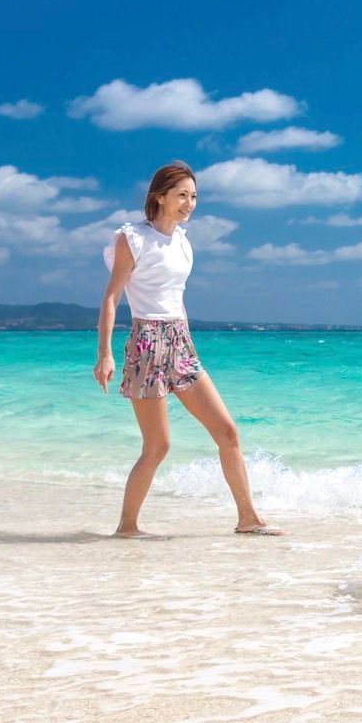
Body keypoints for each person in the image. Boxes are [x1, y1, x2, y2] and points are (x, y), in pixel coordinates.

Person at [92, 160, 283, 538]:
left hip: (180, 342)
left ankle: (248, 518)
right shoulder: (132, 238)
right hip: (146, 343)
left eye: (194, 196)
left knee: (227, 432)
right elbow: (111, 299)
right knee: (158, 446)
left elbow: (176, 298)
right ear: (159, 197)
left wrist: (188, 343)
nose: (189, 203)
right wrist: (106, 353)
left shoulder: (183, 242)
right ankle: (127, 527)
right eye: (181, 195)